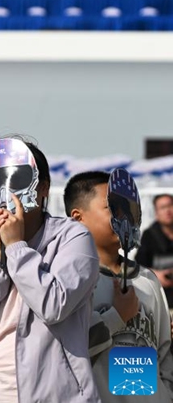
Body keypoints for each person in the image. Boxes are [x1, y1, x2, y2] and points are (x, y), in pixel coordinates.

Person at [0, 139, 101, 403]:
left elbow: (53, 306)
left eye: (17, 182)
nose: (4, 195)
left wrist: (17, 248)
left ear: (43, 188)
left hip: (53, 394)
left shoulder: (73, 238)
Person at [64, 171, 173, 401]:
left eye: (126, 206)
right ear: (77, 218)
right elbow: (65, 351)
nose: (122, 215)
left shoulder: (147, 280)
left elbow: (164, 352)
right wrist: (117, 316)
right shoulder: (69, 282)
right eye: (112, 207)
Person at [136, 194, 173, 310]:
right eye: (163, 207)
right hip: (163, 303)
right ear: (156, 213)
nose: (168, 210)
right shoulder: (149, 235)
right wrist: (156, 274)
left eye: (170, 205)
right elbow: (138, 267)